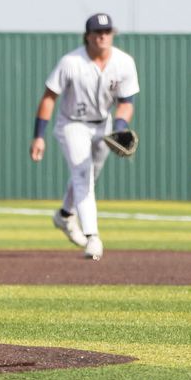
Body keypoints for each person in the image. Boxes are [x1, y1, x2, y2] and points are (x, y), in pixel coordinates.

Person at [29, 13, 139, 261]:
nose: (102, 36)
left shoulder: (124, 62)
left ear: (112, 34)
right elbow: (49, 97)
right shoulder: (71, 62)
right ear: (87, 36)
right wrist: (39, 136)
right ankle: (93, 237)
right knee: (82, 175)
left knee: (90, 175)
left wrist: (120, 127)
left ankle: (65, 215)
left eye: (107, 31)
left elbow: (127, 102)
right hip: (72, 124)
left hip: (104, 125)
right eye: (97, 32)